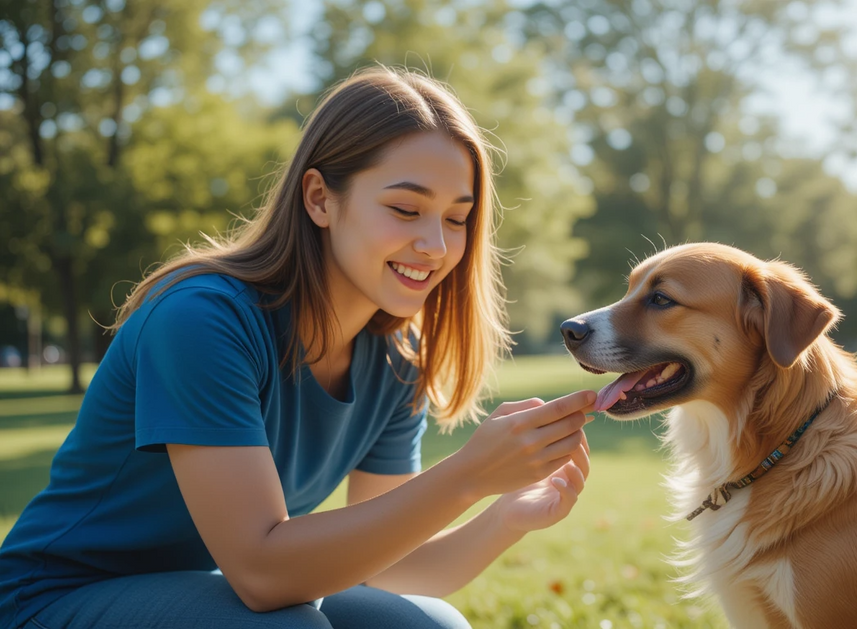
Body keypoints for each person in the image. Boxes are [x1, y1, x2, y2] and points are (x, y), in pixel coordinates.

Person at [0, 67, 596, 629]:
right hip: (50, 602)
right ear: (319, 199)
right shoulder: (201, 319)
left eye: (457, 218)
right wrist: (467, 475)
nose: (435, 245)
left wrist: (505, 517)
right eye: (405, 209)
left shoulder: (396, 360)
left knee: (428, 623)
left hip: (210, 590)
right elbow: (262, 573)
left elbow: (384, 564)